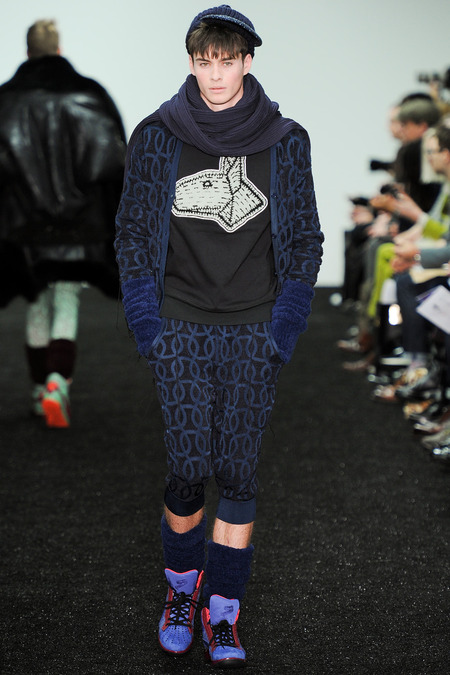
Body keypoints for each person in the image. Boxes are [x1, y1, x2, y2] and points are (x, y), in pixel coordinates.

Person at [115, 5, 323, 668]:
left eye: (226, 61)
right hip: (178, 322)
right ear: (191, 61)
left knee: (236, 469)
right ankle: (182, 591)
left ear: (248, 61)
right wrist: (146, 321)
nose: (214, 74)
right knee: (186, 466)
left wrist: (285, 325)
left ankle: (223, 609)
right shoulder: (157, 135)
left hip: (254, 327)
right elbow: (133, 231)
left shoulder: (285, 141)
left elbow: (305, 239)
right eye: (204, 61)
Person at [0, 20, 126, 427]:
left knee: (36, 300)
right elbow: (113, 160)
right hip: (79, 225)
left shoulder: (6, 100)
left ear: (27, 52)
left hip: (24, 227)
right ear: (58, 50)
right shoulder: (89, 95)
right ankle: (58, 382)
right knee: (67, 298)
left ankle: (40, 392)